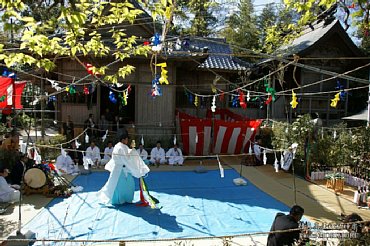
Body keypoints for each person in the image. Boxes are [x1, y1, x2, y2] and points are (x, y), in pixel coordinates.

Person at [97, 133, 150, 205]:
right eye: (127, 139)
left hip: (124, 168)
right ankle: (120, 200)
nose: (127, 140)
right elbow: (126, 159)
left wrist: (132, 151)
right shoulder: (119, 147)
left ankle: (127, 199)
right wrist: (136, 170)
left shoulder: (122, 146)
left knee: (130, 184)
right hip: (119, 169)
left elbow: (127, 155)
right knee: (118, 185)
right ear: (123, 140)